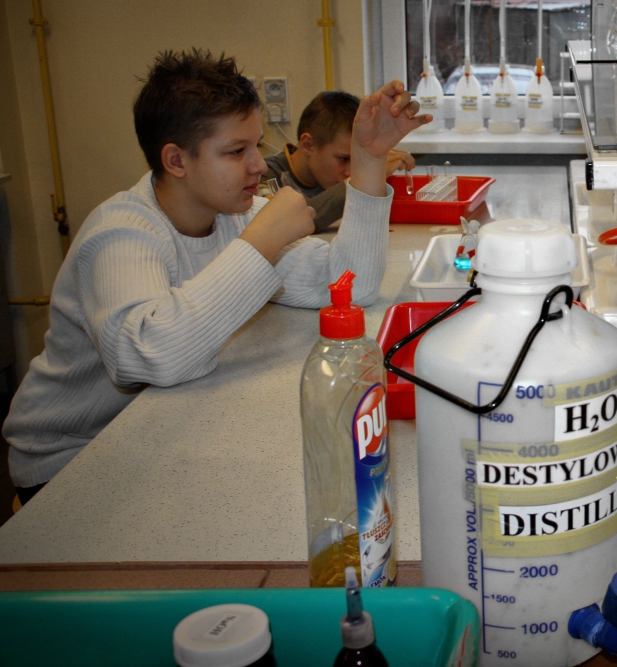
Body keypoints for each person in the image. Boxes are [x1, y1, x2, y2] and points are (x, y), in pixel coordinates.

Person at [3, 50, 432, 501]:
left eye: (256, 146)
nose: (259, 165)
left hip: (157, 434)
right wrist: (261, 242)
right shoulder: (121, 233)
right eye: (236, 151)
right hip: (69, 458)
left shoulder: (231, 214)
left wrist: (367, 159)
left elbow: (350, 286)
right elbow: (149, 358)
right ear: (176, 160)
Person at [261, 90, 415, 231]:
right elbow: (287, 223)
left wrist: (375, 162)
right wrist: (364, 176)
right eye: (343, 159)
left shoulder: (329, 176)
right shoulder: (262, 175)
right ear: (308, 145)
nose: (350, 172)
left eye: (357, 160)